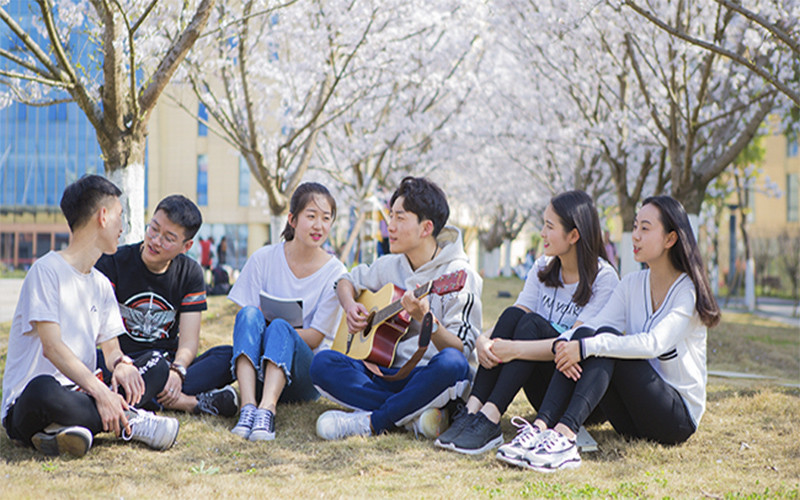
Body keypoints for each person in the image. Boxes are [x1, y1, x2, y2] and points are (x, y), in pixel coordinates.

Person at [498, 195, 720, 472]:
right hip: (629, 419)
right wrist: (567, 344)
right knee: (591, 335)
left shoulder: (687, 291)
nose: (635, 236)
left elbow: (653, 344)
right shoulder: (631, 284)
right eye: (635, 227)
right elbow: (589, 328)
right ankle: (543, 427)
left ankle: (565, 436)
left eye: (645, 229)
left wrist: (587, 346)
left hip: (674, 419)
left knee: (602, 341)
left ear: (670, 239)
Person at [2, 175, 179, 457]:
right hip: (33, 404)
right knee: (43, 390)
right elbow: (53, 348)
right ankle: (129, 420)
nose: (125, 227)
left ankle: (68, 429)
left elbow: (111, 349)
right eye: (121, 216)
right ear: (103, 216)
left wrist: (121, 364)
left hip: (81, 394)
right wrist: (102, 392)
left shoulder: (100, 283)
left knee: (156, 364)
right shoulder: (46, 270)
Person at [435, 190, 619, 455]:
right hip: (541, 385)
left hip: (576, 391)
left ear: (574, 235)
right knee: (514, 316)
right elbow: (515, 315)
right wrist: (484, 339)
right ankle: (473, 411)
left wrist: (515, 349)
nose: (542, 233)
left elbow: (575, 343)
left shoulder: (604, 278)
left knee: (530, 325)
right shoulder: (543, 267)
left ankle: (491, 417)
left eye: (549, 226)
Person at [311, 176, 483, 441]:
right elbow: (345, 280)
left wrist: (428, 321)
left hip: (428, 375)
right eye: (390, 217)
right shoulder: (389, 265)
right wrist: (350, 305)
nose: (388, 227)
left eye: (399, 219)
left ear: (426, 228)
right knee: (322, 363)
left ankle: (372, 422)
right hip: (386, 374)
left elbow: (461, 349)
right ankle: (412, 414)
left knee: (453, 364)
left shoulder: (459, 275)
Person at [95, 195, 236, 417]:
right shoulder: (112, 262)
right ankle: (187, 403)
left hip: (165, 364)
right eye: (154, 229)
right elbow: (103, 334)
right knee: (90, 362)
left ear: (186, 246)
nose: (156, 241)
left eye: (169, 238)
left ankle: (141, 396)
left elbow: (189, 341)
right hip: (120, 362)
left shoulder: (190, 273)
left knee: (229, 357)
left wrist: (177, 371)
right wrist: (121, 365)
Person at [227, 182, 346, 441]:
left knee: (280, 326)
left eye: (326, 219)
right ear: (292, 219)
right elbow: (245, 321)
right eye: (311, 216)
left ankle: (266, 411)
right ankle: (248, 408)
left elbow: (315, 338)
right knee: (248, 314)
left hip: (302, 376)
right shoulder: (263, 259)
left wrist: (276, 333)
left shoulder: (336, 273)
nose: (319, 226)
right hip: (257, 369)